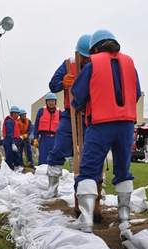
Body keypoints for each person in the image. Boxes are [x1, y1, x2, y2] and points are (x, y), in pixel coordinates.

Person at [68, 29, 141, 233]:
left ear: (95, 49)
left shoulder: (93, 65)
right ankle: (124, 215)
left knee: (89, 171)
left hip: (100, 124)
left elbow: (78, 96)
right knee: (123, 170)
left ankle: (86, 218)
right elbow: (135, 93)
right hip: (126, 125)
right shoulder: (130, 64)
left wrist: (82, 103)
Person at [44, 34, 91, 200]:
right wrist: (63, 82)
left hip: (89, 117)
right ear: (78, 53)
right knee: (58, 148)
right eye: (83, 57)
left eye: (89, 57)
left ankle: (93, 187)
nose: (86, 61)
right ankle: (52, 188)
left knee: (91, 152)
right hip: (69, 114)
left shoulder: (97, 64)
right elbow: (52, 84)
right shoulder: (68, 64)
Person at [33, 93, 60, 165]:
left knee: (54, 157)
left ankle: (53, 174)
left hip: (55, 139)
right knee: (42, 157)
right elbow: (36, 125)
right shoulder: (41, 111)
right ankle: (42, 175)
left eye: (52, 101)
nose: (51, 103)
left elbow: (62, 128)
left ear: (55, 102)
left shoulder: (60, 112)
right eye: (49, 101)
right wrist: (35, 138)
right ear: (46, 102)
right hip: (43, 139)